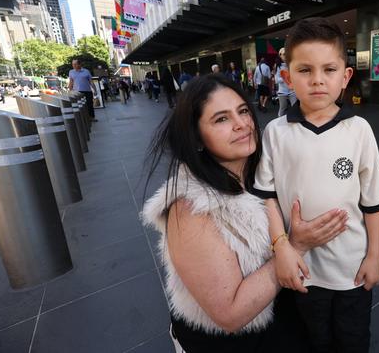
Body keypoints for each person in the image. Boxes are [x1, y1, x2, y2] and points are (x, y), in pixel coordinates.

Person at [141, 74, 348, 352]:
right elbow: (230, 314)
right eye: (221, 119)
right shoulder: (190, 207)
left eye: (242, 111)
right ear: (197, 139)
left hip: (283, 320)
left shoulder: (263, 172)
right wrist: (295, 245)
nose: (241, 124)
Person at [253, 18, 379, 353]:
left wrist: (375, 255)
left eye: (329, 69)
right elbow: (267, 196)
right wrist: (282, 248)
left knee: (353, 339)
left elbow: (373, 201)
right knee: (313, 339)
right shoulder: (276, 132)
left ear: (345, 76)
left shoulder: (359, 130)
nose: (317, 80)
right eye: (305, 70)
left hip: (352, 270)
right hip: (303, 269)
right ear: (287, 78)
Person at [275, 48, 296, 116]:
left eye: (286, 54)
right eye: (283, 54)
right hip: (282, 91)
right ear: (280, 55)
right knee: (282, 108)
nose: (285, 56)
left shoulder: (291, 64)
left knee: (295, 108)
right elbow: (276, 80)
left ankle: (295, 122)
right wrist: (285, 78)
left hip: (292, 90)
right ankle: (279, 124)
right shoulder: (278, 66)